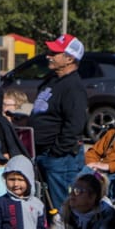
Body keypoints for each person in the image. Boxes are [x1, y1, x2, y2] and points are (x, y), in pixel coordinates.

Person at [28, 34, 88, 211]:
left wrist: (56, 152)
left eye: (55, 53)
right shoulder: (53, 80)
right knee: (47, 207)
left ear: (69, 58)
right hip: (43, 154)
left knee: (64, 208)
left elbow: (75, 124)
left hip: (60, 159)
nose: (48, 55)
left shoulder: (73, 86)